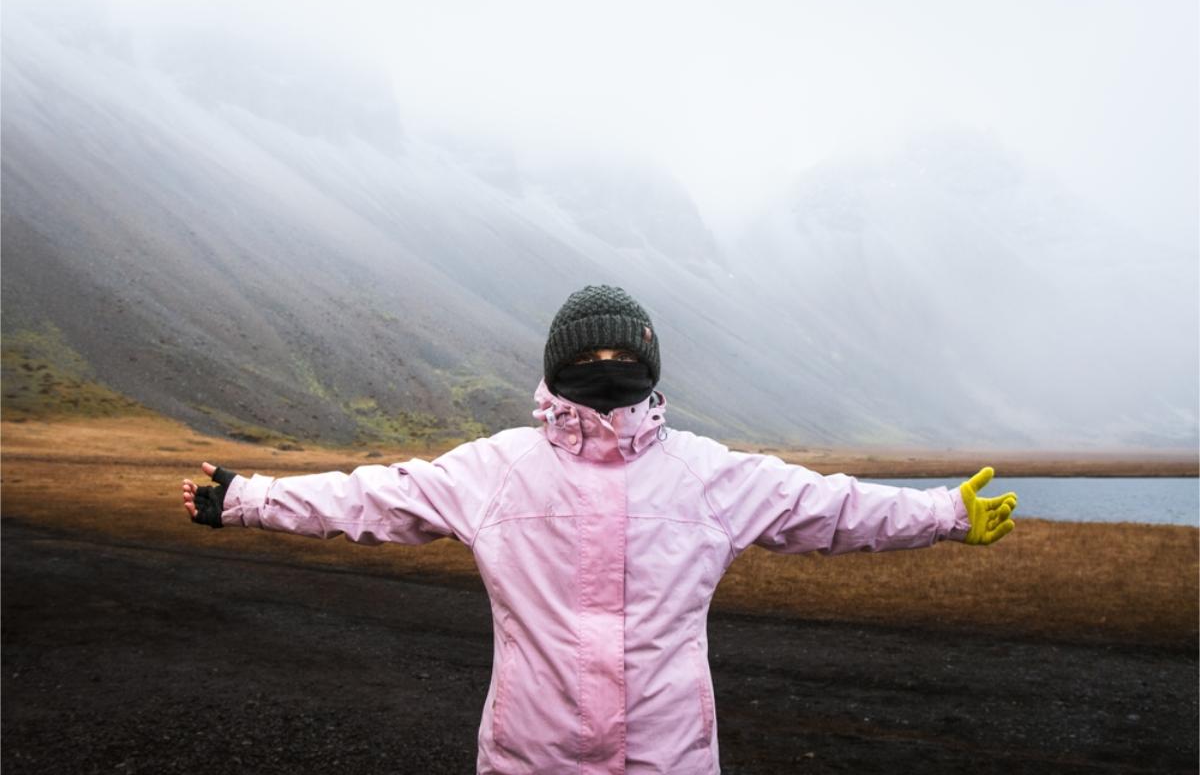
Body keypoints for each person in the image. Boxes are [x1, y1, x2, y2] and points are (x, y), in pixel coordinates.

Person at [181, 284, 1016, 775]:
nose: (607, 377)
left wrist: (944, 512)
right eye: (593, 363)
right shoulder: (496, 470)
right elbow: (369, 499)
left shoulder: (707, 474)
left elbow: (830, 509)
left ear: (648, 368)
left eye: (622, 362)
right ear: (556, 371)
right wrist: (248, 496)